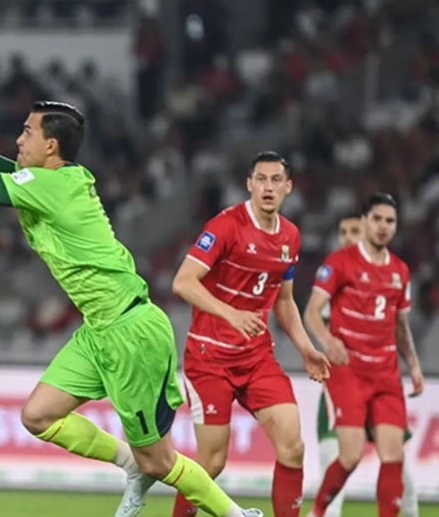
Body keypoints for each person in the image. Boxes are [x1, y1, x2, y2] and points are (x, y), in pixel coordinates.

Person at [0, 51, 262, 517]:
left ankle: (236, 514)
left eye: (27, 132)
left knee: (161, 459)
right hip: (99, 330)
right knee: (38, 416)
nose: (18, 139)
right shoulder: (47, 180)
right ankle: (130, 466)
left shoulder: (53, 186)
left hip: (130, 333)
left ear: (51, 148)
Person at [170, 151, 331, 517]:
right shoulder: (225, 226)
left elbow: (285, 302)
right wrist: (231, 313)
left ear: (288, 187)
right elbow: (182, 282)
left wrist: (306, 349)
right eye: (261, 179)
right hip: (210, 359)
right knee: (211, 463)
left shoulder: (290, 235)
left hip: (257, 359)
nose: (268, 187)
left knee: (293, 447)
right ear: (249, 184)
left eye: (276, 180)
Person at [304, 192, 425, 517]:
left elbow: (400, 326)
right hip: (349, 370)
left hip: (386, 373)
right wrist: (327, 340)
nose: (383, 227)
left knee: (393, 457)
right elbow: (312, 312)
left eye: (390, 221)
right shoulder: (340, 263)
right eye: (378, 219)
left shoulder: (400, 271)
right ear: (365, 221)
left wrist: (413, 365)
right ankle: (318, 509)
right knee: (350, 455)